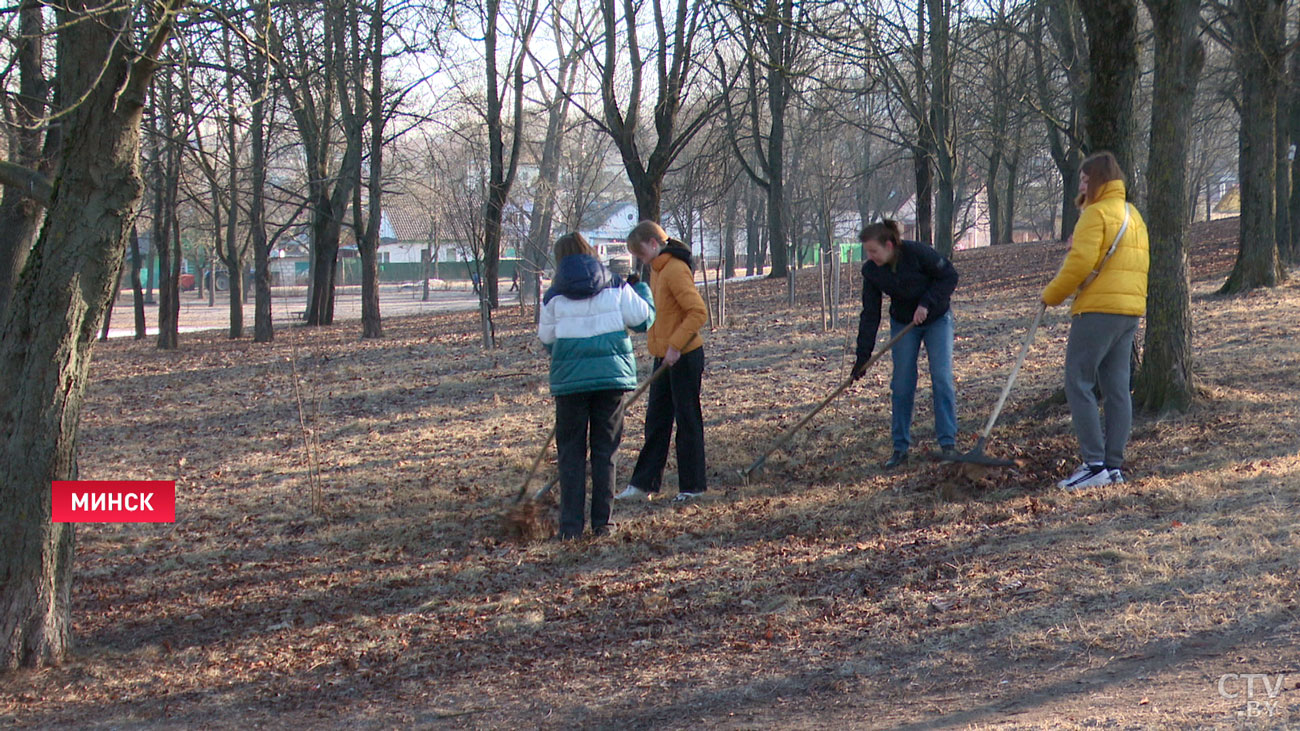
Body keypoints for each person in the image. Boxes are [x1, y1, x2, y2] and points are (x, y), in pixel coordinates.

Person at [1042, 150, 1149, 490]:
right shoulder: (1133, 215)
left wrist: (1051, 295)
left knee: (1078, 380)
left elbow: (1080, 264)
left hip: (1098, 309)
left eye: (1086, 179)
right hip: (1129, 310)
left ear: (1099, 180)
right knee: (1117, 388)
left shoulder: (1095, 214)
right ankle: (1113, 466)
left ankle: (1094, 464)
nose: (1083, 185)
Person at [538, 233, 655, 539]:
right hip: (610, 379)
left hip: (570, 383)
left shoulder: (553, 295)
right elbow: (643, 320)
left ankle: (571, 528)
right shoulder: (616, 284)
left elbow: (547, 340)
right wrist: (641, 288)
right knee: (605, 452)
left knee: (571, 454)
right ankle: (603, 524)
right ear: (590, 252)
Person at [853, 220, 960, 469]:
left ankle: (948, 443)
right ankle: (900, 448)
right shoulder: (872, 271)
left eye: (873, 251)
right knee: (901, 384)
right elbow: (870, 314)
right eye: (868, 252)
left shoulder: (917, 253)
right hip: (903, 324)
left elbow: (949, 276)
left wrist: (926, 303)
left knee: (941, 378)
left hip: (936, 319)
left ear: (889, 245)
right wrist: (863, 356)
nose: (870, 257)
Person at [617, 221, 709, 503]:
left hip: (684, 356)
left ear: (654, 244)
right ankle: (644, 484)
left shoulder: (674, 269)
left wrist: (675, 345)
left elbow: (697, 312)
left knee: (687, 419)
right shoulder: (656, 271)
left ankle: (693, 486)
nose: (640, 259)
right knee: (656, 422)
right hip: (664, 356)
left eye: (641, 252)